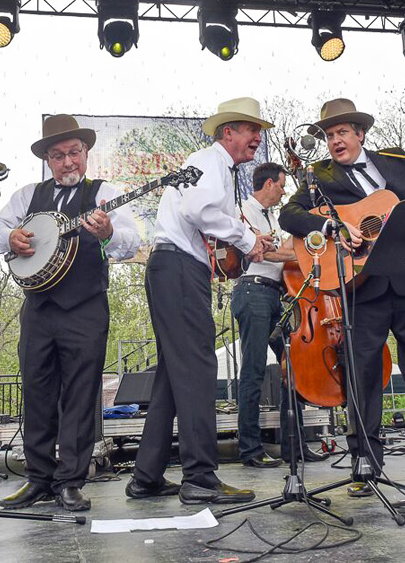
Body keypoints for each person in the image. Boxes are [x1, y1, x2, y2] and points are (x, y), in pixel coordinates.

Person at [278, 98, 405, 494]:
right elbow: (290, 215)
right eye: (329, 135)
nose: (335, 141)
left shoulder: (399, 163)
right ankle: (365, 463)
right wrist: (331, 224)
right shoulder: (318, 175)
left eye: (342, 132)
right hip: (360, 288)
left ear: (360, 134)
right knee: (363, 377)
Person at [125, 97, 274, 504]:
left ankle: (147, 476)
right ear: (228, 132)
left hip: (170, 268)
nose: (257, 138)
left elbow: (200, 213)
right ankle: (201, 478)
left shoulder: (215, 167)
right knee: (198, 369)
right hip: (178, 269)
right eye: (250, 130)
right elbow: (198, 208)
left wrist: (242, 239)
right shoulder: (210, 161)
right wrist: (246, 239)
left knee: (173, 378)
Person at [0, 115, 141, 512]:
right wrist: (9, 236)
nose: (68, 162)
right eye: (58, 156)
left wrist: (108, 232)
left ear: (86, 153)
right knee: (37, 391)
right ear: (48, 159)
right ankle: (38, 479)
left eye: (74, 152)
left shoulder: (104, 192)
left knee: (79, 395)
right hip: (38, 308)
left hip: (86, 307)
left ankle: (70, 480)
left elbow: (131, 241)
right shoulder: (28, 195)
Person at [231, 163, 330, 468]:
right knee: (254, 370)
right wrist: (301, 253)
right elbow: (260, 253)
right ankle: (250, 449)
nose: (285, 191)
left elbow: (281, 248)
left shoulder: (272, 217)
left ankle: (294, 445)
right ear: (270, 184)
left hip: (275, 294)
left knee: (295, 365)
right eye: (283, 185)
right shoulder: (241, 210)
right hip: (253, 291)